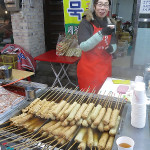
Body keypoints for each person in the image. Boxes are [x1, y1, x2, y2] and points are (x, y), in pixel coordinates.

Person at [77, 0, 117, 93]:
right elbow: (84, 46)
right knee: (89, 100)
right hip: (89, 71)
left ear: (108, 8)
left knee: (104, 95)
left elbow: (114, 42)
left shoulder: (110, 22)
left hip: (105, 69)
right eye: (100, 4)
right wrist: (101, 33)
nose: (103, 8)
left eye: (106, 5)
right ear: (94, 6)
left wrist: (112, 49)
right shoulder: (86, 22)